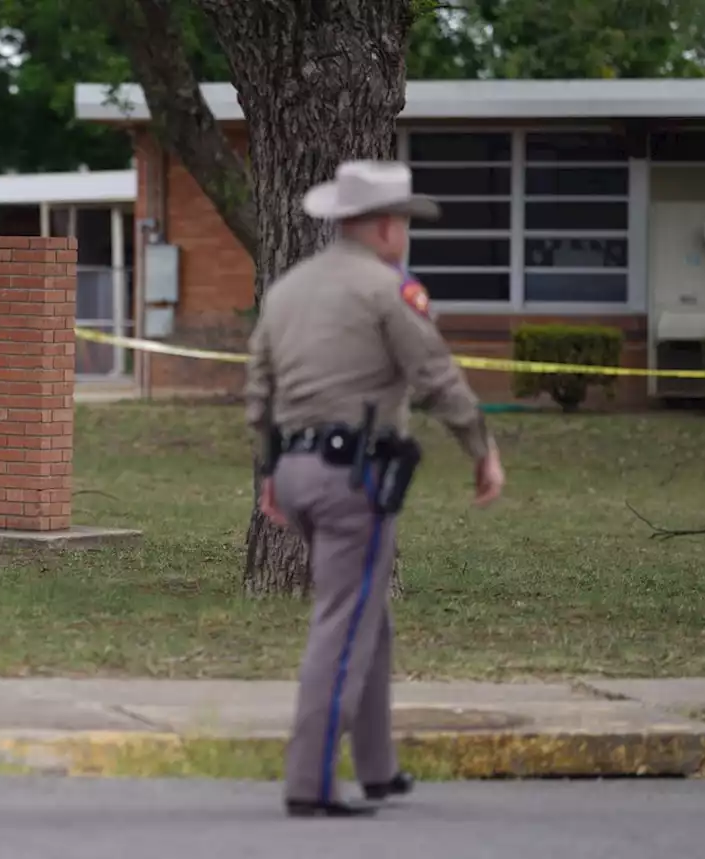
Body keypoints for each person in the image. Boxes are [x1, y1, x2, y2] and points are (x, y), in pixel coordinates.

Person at [244, 159, 505, 818]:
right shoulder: (388, 289)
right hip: (350, 477)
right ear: (387, 226)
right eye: (406, 223)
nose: (407, 235)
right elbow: (435, 374)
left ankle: (379, 768)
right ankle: (310, 781)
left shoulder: (287, 290)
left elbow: (258, 392)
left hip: (297, 472)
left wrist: (271, 471)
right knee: (342, 621)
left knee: (366, 614)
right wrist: (482, 449)